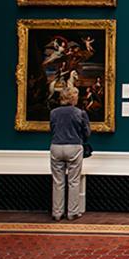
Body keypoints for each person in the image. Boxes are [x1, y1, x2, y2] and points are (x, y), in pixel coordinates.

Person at [49, 86, 90, 222]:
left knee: (58, 181)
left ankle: (57, 212)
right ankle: (72, 212)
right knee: (73, 181)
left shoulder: (53, 112)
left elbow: (52, 129)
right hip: (73, 146)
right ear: (73, 98)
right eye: (76, 96)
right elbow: (87, 133)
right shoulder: (80, 113)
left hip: (56, 146)